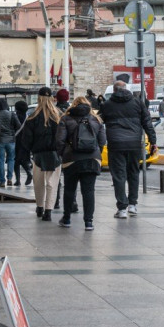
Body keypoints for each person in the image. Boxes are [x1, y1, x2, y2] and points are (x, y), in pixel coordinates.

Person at [98, 79, 156, 219]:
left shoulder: (107, 105)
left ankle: (122, 208)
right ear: (126, 88)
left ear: (114, 90)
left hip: (116, 144)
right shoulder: (137, 102)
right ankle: (133, 205)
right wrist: (153, 141)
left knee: (118, 176)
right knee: (133, 173)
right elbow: (147, 122)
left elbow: (99, 123)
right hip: (134, 144)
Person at [56, 95, 105, 230]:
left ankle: (66, 219)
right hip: (92, 159)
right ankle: (88, 222)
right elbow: (102, 141)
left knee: (69, 189)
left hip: (71, 159)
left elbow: (59, 141)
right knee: (89, 191)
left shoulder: (65, 119)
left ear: (74, 105)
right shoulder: (96, 119)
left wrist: (63, 154)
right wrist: (95, 152)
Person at [16, 88, 62, 220]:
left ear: (39, 98)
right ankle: (48, 210)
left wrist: (30, 150)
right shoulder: (58, 115)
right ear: (52, 98)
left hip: (38, 154)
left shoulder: (32, 116)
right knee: (52, 183)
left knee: (38, 182)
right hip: (55, 154)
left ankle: (40, 206)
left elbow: (26, 139)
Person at [0, 97, 21, 186]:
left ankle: (2, 181)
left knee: (0, 160)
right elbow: (19, 126)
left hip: (0, 140)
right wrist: (13, 133)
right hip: (11, 140)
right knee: (11, 159)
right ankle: (9, 178)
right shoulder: (12, 114)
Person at [13, 99, 33, 185]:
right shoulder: (28, 117)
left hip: (17, 140)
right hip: (26, 142)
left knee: (16, 161)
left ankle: (19, 180)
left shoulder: (16, 116)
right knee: (22, 159)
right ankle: (28, 174)